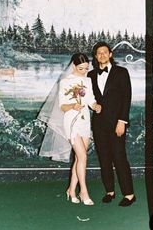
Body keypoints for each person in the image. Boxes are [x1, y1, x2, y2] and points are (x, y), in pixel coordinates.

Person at [38, 53, 101, 205]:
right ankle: (83, 191)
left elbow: (91, 99)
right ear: (73, 66)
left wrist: (95, 106)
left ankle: (71, 190)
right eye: (81, 68)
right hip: (71, 121)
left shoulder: (88, 80)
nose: (84, 71)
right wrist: (73, 105)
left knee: (80, 158)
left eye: (86, 68)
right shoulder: (65, 82)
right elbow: (62, 106)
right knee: (83, 157)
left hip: (85, 120)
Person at [88, 42, 136, 207]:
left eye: (104, 52)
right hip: (99, 125)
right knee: (104, 158)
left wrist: (122, 121)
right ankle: (110, 191)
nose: (101, 55)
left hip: (117, 123)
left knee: (119, 157)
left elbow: (126, 98)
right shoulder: (90, 75)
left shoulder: (122, 72)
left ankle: (129, 194)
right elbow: (89, 98)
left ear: (110, 54)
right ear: (95, 56)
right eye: (98, 53)